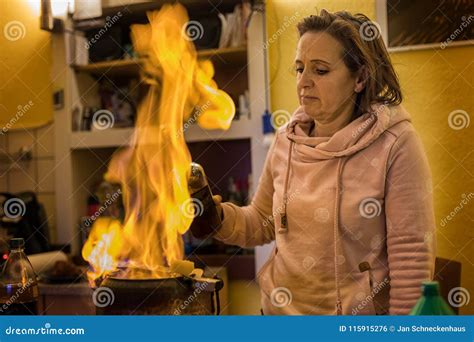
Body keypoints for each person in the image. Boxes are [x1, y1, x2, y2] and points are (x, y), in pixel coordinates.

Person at [199, 9, 436, 315]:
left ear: (360, 78)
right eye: (299, 69)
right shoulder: (286, 139)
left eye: (320, 71)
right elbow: (260, 223)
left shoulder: (395, 144)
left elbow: (412, 260)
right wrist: (214, 216)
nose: (304, 82)